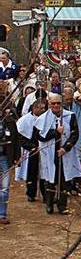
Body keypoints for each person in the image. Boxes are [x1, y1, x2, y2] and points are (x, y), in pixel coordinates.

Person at [36, 93, 81, 214]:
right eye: (53, 103)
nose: (56, 105)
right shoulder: (42, 119)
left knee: (64, 180)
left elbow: (75, 134)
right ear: (49, 104)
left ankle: (62, 205)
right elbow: (40, 136)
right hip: (50, 153)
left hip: (64, 153)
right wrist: (55, 133)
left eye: (58, 103)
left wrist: (65, 148)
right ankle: (49, 204)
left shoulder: (70, 116)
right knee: (50, 179)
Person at [16, 98, 46, 204]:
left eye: (44, 108)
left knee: (45, 172)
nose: (43, 110)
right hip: (31, 149)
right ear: (34, 108)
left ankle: (46, 194)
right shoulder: (24, 120)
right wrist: (32, 147)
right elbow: (20, 137)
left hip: (45, 148)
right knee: (32, 172)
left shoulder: (46, 118)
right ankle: (31, 193)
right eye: (41, 108)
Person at [0, 92, 20, 224]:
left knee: (5, 186)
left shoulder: (10, 121)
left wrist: (16, 157)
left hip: (4, 158)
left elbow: (16, 139)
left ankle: (2, 214)